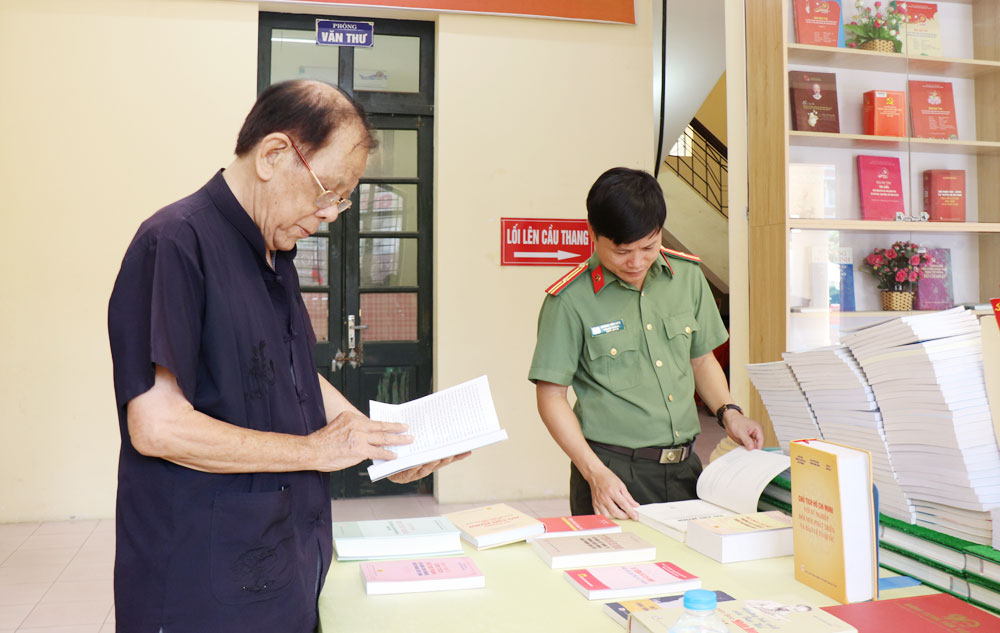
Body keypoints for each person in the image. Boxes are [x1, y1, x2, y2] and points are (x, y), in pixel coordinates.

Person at [107, 80, 464, 633]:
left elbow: (292, 374)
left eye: (344, 198)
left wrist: (377, 442)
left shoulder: (276, 254)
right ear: (274, 155)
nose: (331, 214)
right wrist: (313, 451)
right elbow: (157, 427)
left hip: (279, 564)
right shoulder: (175, 243)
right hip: (200, 582)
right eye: (329, 190)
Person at [528, 167, 764, 521]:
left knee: (693, 573)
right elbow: (551, 396)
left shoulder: (687, 278)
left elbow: (701, 360)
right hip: (614, 474)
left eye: (649, 247)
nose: (636, 262)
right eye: (622, 252)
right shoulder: (569, 300)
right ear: (593, 233)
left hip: (686, 468)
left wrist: (729, 412)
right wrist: (595, 473)